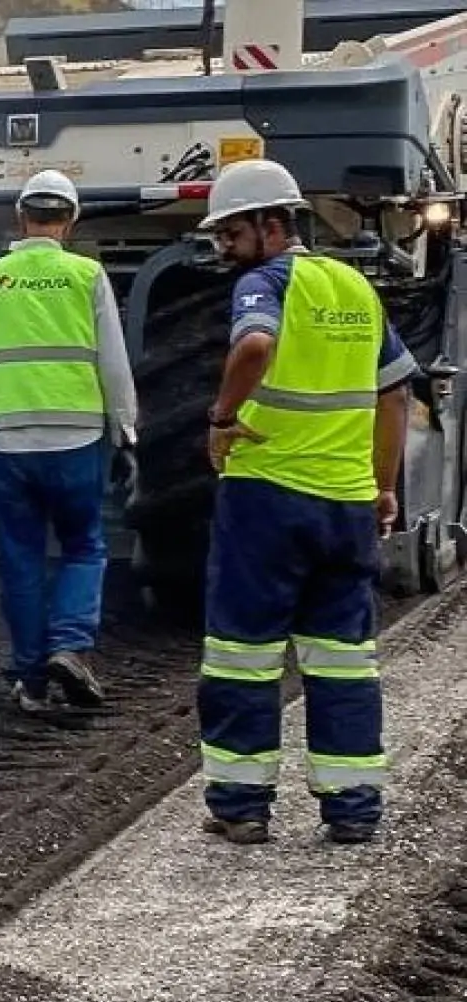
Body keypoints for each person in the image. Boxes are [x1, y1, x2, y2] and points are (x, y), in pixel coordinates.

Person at [192, 157, 415, 846]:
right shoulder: (354, 285)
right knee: (343, 658)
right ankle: (352, 807)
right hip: (345, 503)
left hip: (268, 497)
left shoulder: (267, 283)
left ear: (269, 224)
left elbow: (256, 344)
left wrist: (222, 418)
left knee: (242, 653)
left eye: (231, 232)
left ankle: (241, 805)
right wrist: (383, 485)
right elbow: (396, 392)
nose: (224, 247)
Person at [0, 169, 139, 713]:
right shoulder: (86, 275)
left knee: (21, 559)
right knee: (83, 545)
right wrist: (125, 432)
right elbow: (113, 360)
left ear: (19, 215)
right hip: (76, 439)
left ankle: (31, 680)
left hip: (7, 442)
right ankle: (71, 646)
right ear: (71, 220)